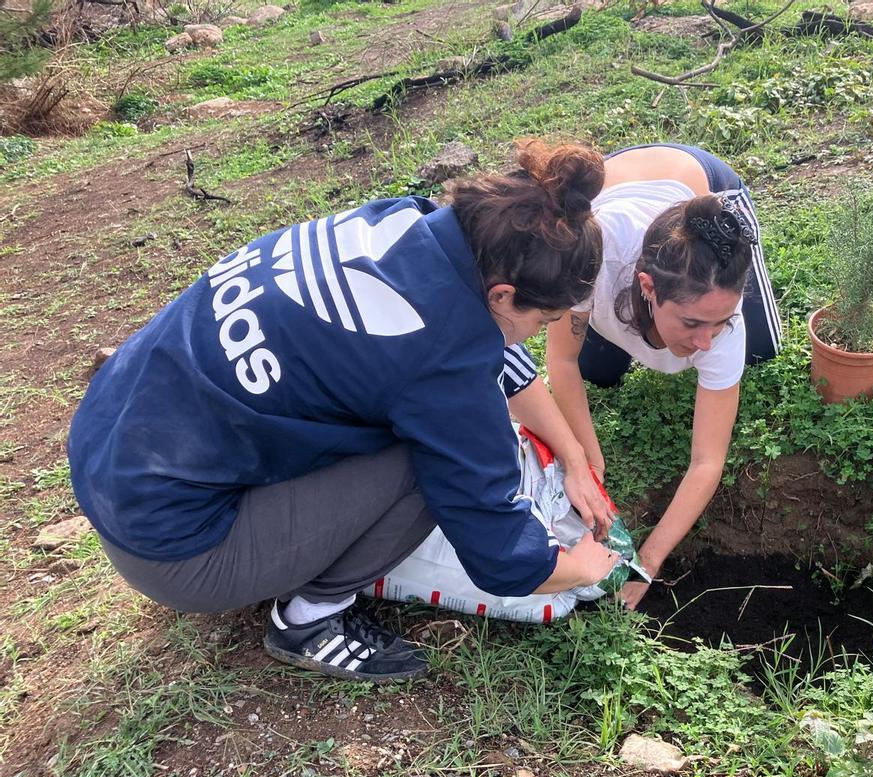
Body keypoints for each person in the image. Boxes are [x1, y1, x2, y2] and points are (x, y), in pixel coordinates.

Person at [67, 140, 619, 683]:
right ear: (502, 296)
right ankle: (309, 621)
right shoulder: (441, 358)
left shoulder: (404, 223)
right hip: (172, 549)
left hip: (109, 443)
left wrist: (571, 455)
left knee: (410, 416)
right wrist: (578, 567)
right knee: (427, 458)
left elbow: (493, 355)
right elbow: (498, 549)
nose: (533, 335)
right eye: (543, 321)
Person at [544, 143, 782, 609]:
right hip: (627, 176)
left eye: (721, 321)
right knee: (599, 370)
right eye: (693, 323)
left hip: (703, 191)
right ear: (648, 288)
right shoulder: (592, 257)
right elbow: (563, 362)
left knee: (760, 351)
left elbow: (706, 461)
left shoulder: (723, 331)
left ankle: (715, 314)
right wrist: (590, 463)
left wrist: (647, 562)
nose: (707, 341)